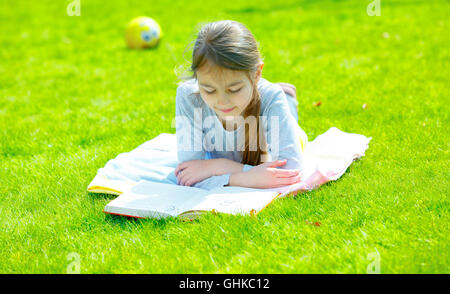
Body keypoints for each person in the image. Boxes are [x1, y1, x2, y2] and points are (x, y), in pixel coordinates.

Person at [174, 20, 308, 190]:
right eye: (209, 90)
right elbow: (189, 174)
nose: (222, 101)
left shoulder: (271, 98)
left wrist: (218, 167)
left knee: (288, 119)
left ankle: (287, 97)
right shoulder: (189, 96)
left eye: (234, 89)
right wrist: (245, 176)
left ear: (257, 73)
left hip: (273, 107)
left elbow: (290, 173)